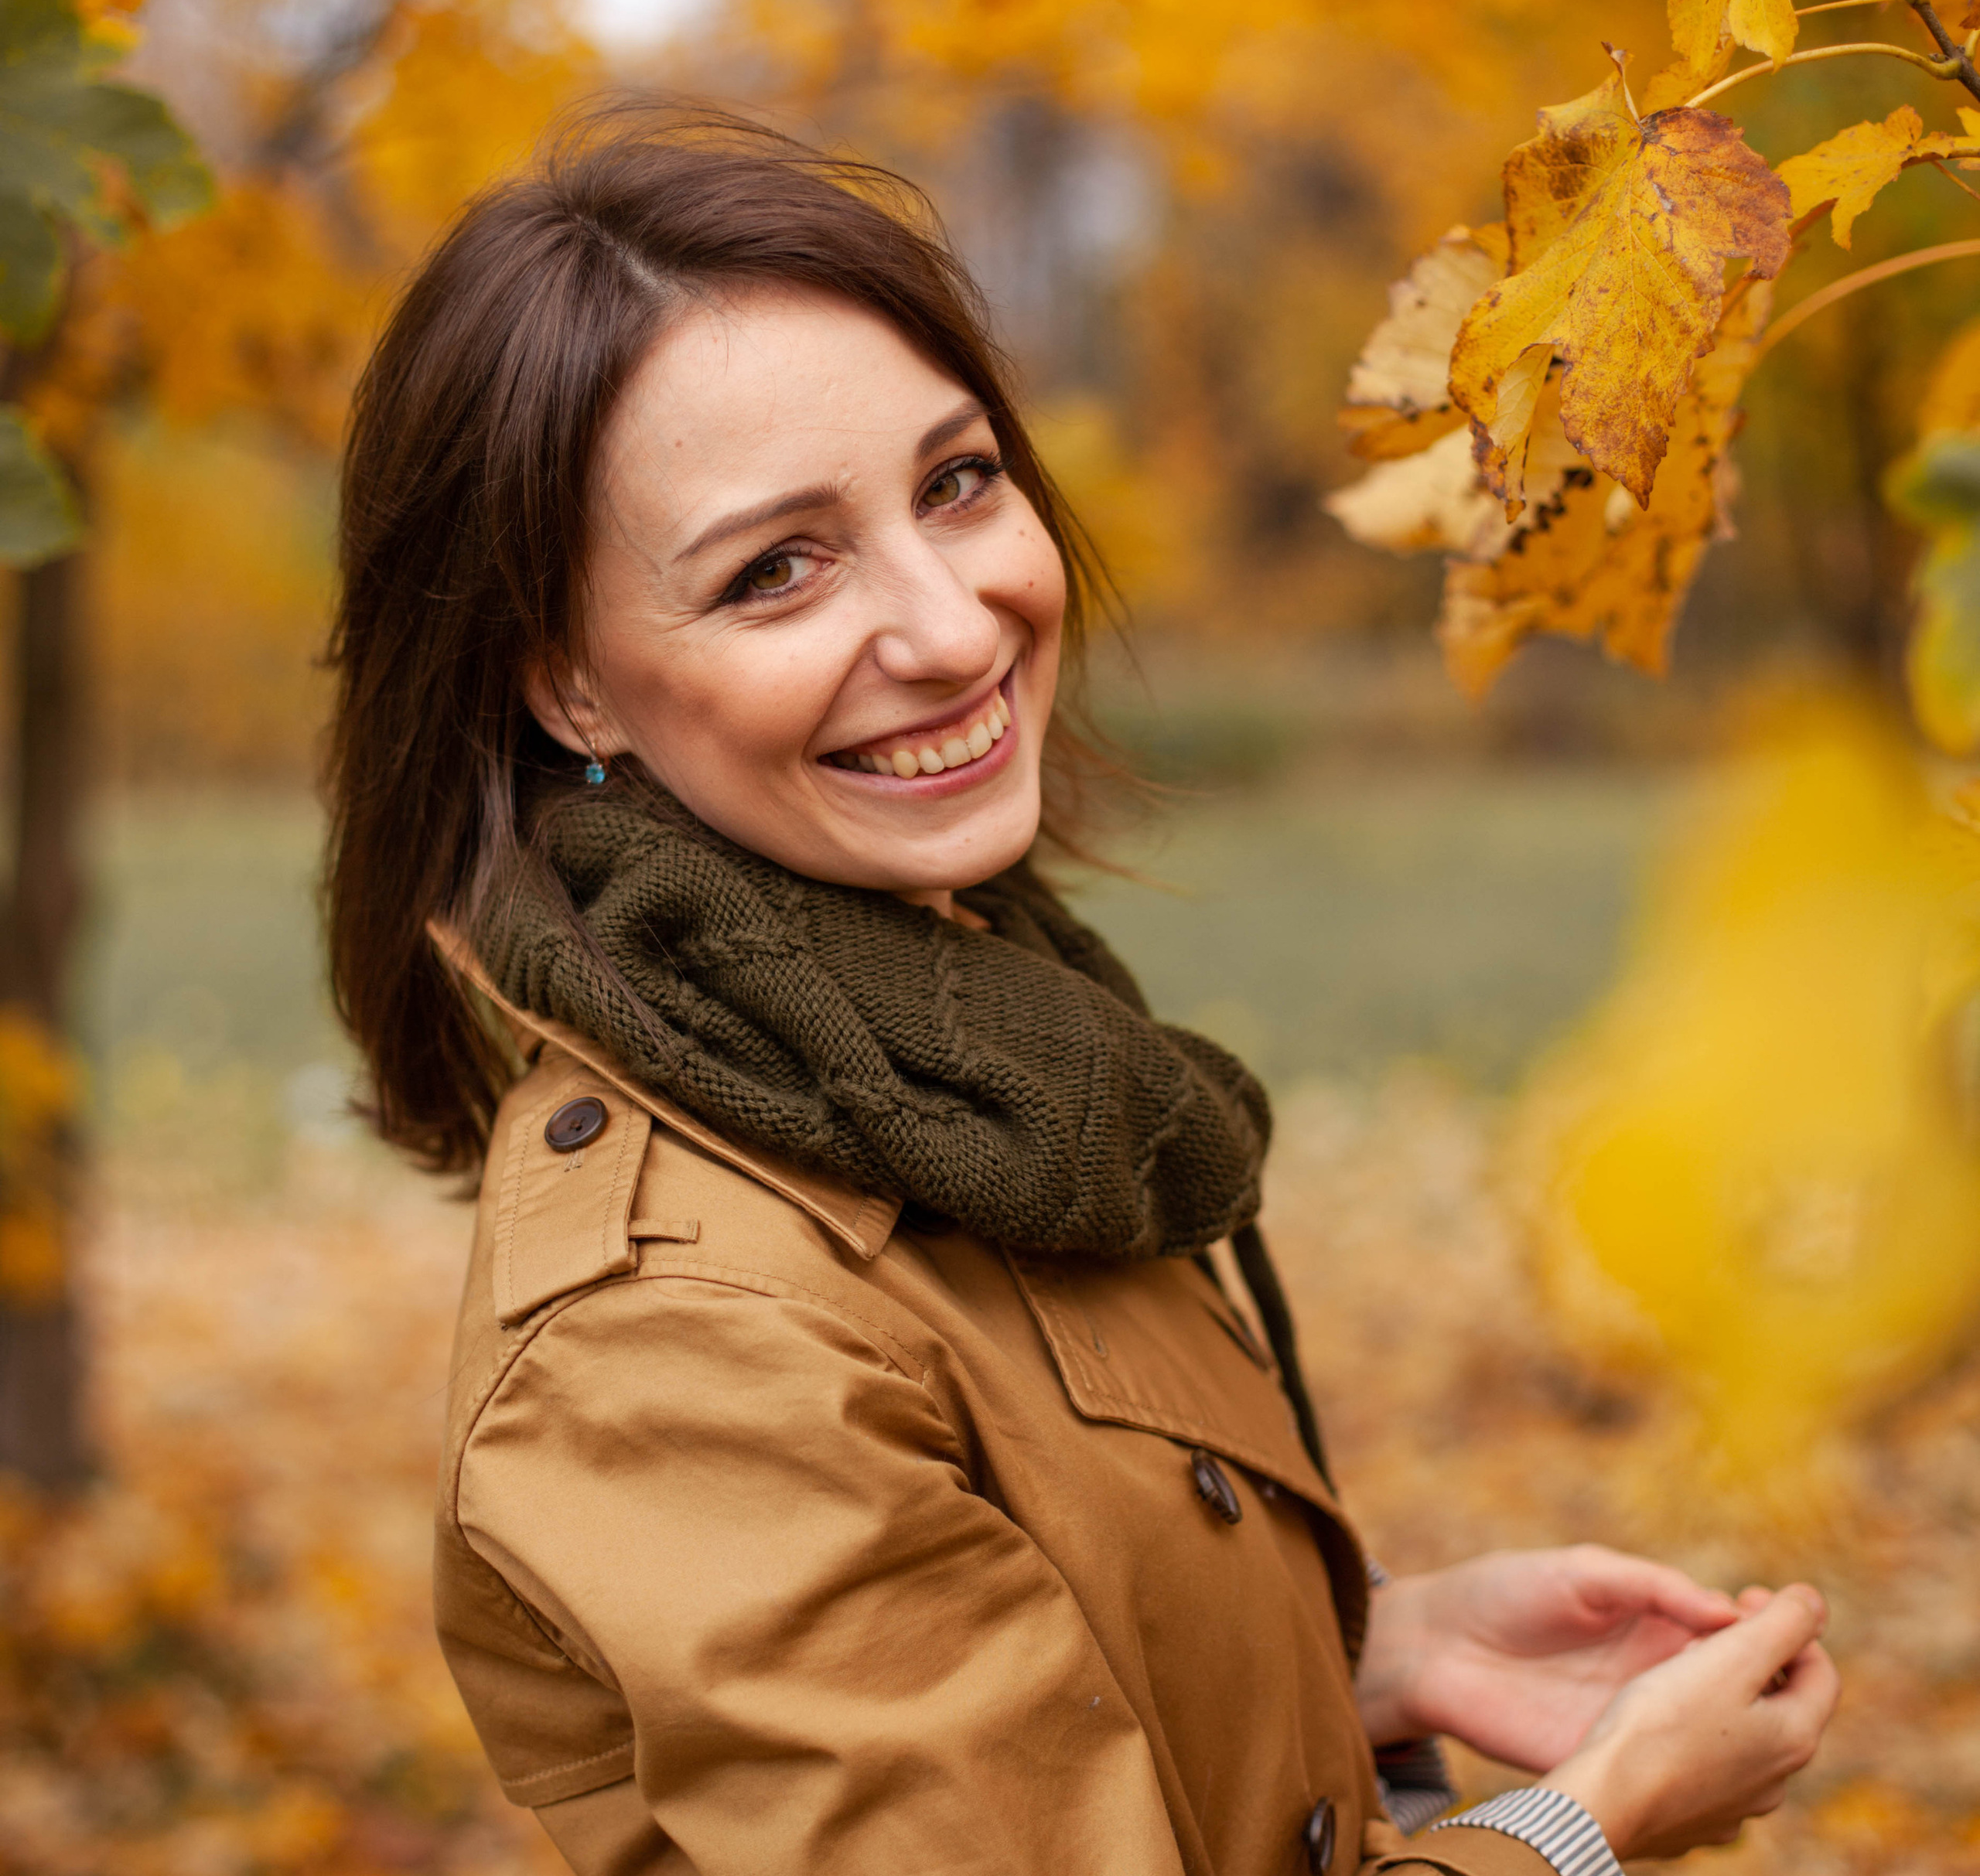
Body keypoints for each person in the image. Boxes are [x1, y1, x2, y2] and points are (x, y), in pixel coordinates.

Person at [325, 104, 1838, 1876]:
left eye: (956, 481)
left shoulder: (954, 1044)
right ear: (568, 687)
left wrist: (1364, 1645)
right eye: (775, 567)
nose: (956, 626)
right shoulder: (668, 1339)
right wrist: (1587, 1821)